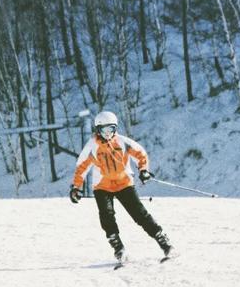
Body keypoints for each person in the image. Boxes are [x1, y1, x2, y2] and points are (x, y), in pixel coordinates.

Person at [69, 110, 172, 264]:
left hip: (124, 183)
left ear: (115, 129)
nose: (107, 133)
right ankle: (119, 249)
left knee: (140, 215)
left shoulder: (123, 142)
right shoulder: (92, 146)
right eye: (103, 130)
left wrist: (143, 170)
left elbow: (140, 153)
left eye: (111, 129)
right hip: (102, 186)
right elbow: (81, 166)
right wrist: (76, 187)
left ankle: (165, 244)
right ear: (98, 130)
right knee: (107, 216)